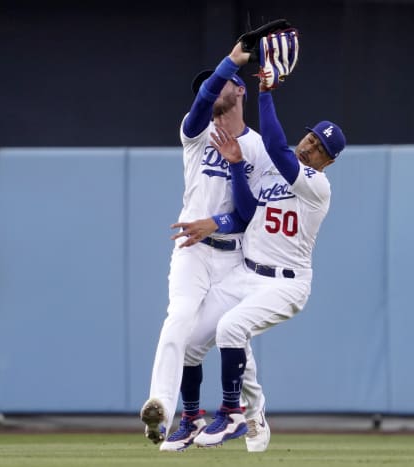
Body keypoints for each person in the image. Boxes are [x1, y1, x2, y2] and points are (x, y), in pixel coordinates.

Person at [170, 41, 346, 449]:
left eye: (321, 148)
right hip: (247, 273)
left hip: (287, 283)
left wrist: (266, 92)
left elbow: (279, 151)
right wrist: (234, 165)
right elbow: (247, 209)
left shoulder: (318, 185)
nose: (311, 147)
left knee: (232, 329)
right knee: (192, 340)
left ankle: (231, 413)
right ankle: (208, 416)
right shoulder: (270, 174)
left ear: (329, 161)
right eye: (312, 138)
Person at [139, 43, 272, 453]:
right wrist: (232, 62)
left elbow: (249, 215)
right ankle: (163, 405)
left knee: (230, 336)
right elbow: (201, 100)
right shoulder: (194, 134)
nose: (210, 92)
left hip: (233, 257)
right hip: (192, 252)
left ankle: (248, 414)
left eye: (221, 86)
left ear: (241, 91)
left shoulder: (258, 149)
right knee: (179, 318)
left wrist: (217, 215)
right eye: (206, 88)